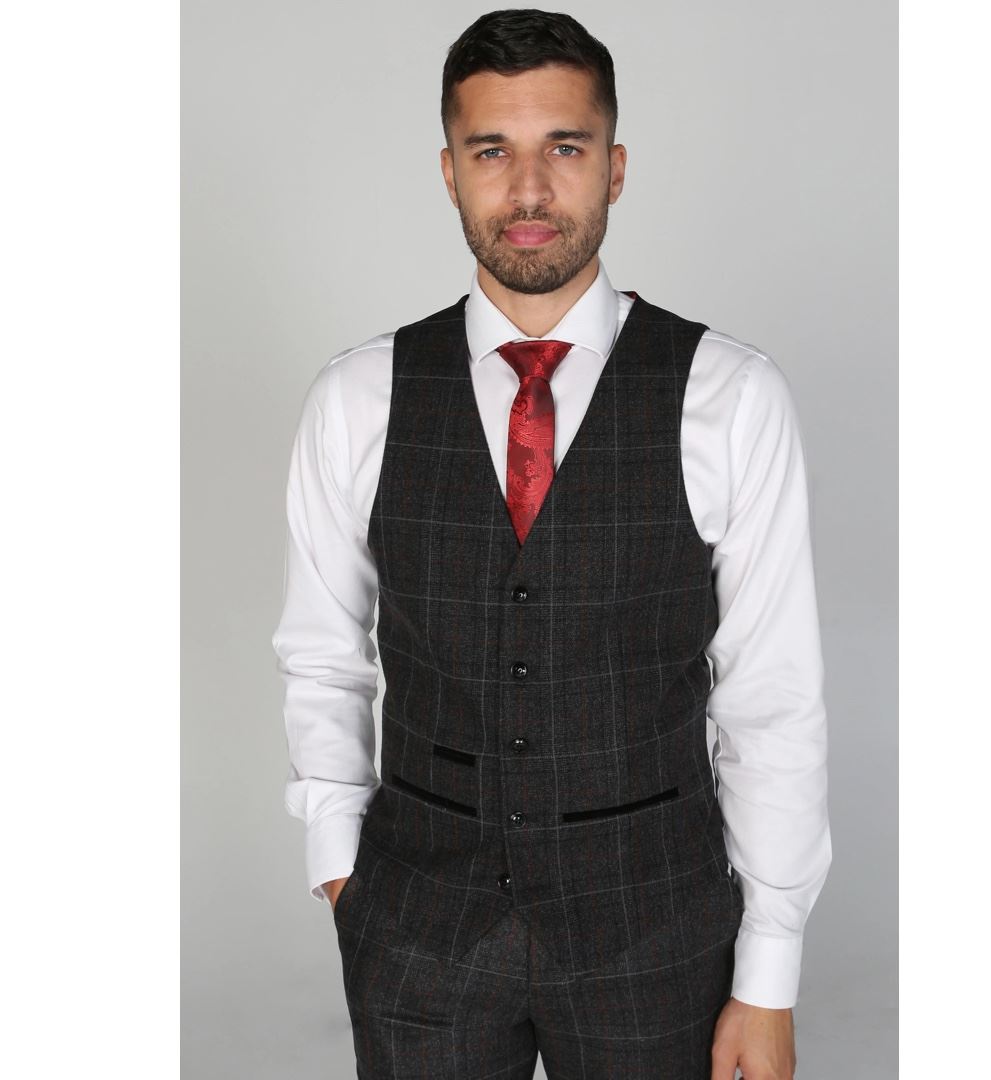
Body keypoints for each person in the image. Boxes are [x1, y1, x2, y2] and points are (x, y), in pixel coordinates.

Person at [271, 9, 831, 1079]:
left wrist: (769, 974)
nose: (528, 191)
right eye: (492, 152)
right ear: (450, 172)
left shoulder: (732, 398)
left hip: (656, 927)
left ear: (614, 168)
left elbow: (773, 699)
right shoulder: (356, 398)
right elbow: (323, 657)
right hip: (417, 923)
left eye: (564, 148)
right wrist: (343, 870)